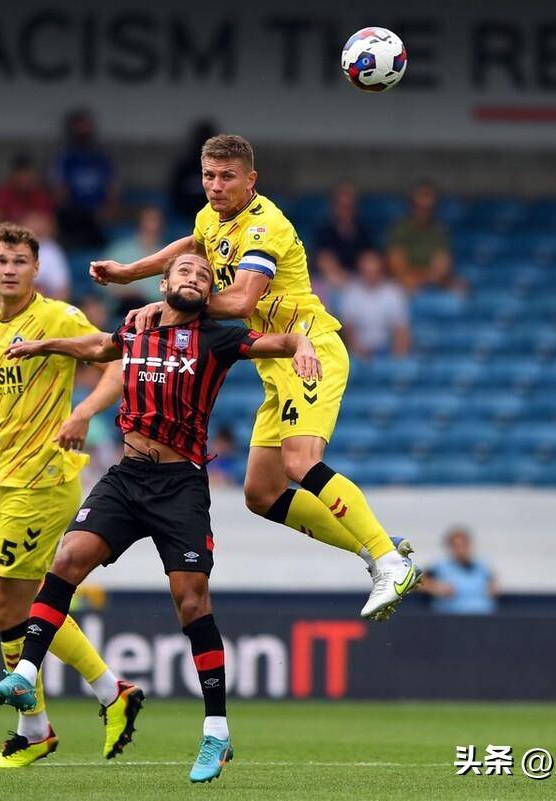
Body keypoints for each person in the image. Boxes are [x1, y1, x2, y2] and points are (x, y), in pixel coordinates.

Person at [0, 252, 322, 783]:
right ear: (164, 283)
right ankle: (25, 672)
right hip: (127, 476)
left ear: (208, 294)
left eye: (203, 276)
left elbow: (276, 342)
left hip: (180, 485)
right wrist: (44, 345)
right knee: (67, 560)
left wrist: (302, 346)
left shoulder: (218, 338)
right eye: (184, 271)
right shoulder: (136, 327)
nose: (193, 277)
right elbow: (97, 347)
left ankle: (217, 735)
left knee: (191, 604)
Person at [89, 134, 420, 621]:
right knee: (261, 495)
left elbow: (242, 301)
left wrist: (166, 304)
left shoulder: (266, 225)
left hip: (308, 349)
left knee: (300, 462)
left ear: (251, 180)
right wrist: (130, 272)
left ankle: (390, 562)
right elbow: (194, 245)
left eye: (227, 177)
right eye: (208, 176)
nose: (216, 186)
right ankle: (374, 545)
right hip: (274, 366)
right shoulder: (210, 216)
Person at [0, 222, 138, 768]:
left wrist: (82, 413)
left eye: (20, 261)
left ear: (36, 269)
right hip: (12, 479)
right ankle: (111, 693)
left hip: (45, 479)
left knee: (5, 603)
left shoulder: (57, 318)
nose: (9, 269)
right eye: (1, 260)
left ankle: (33, 729)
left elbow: (117, 362)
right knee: (28, 605)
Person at [51, 109, 116, 249]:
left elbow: (111, 187)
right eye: (80, 127)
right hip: (73, 216)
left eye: (86, 127)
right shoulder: (66, 157)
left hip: (97, 217)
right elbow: (60, 190)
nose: (83, 131)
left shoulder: (100, 156)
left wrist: (106, 210)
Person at [386, 181, 463, 294]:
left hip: (433, 281)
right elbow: (398, 269)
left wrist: (424, 278)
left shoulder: (439, 231)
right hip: (404, 283)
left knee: (461, 289)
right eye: (418, 207)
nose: (423, 212)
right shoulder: (399, 230)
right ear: (411, 206)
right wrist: (425, 276)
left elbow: (442, 268)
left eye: (428, 208)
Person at [338, 250, 410, 360]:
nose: (370, 275)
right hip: (359, 351)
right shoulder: (350, 292)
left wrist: (397, 358)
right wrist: (359, 351)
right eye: (366, 271)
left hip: (387, 350)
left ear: (381, 270)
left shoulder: (393, 292)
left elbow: (401, 329)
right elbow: (349, 330)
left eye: (373, 271)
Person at [101, 205, 166, 311]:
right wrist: (127, 291)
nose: (153, 224)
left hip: (155, 310)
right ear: (139, 222)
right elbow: (103, 285)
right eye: (149, 219)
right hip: (121, 308)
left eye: (157, 220)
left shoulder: (169, 255)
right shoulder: (119, 250)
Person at [0, 154, 55, 246]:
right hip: (5, 245)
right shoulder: (2, 194)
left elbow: (51, 228)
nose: (24, 178)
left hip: (34, 246)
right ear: (13, 174)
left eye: (27, 173)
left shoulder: (39, 195)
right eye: (20, 173)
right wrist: (21, 227)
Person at [422, 527, 497, 615]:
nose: (460, 550)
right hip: (454, 617)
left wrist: (492, 588)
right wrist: (436, 587)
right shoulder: (440, 566)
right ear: (450, 547)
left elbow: (493, 583)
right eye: (456, 546)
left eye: (463, 545)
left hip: (482, 615)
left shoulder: (481, 566)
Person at [314, 182, 373, 287]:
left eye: (349, 206)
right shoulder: (324, 232)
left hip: (359, 283)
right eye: (342, 206)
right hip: (330, 282)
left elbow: (369, 260)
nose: (345, 211)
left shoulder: (364, 232)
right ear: (334, 207)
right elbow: (322, 260)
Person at [167, 120, 217, 222]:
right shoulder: (185, 167)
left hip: (215, 218)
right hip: (185, 217)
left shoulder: (223, 169)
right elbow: (174, 195)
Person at [21, 211, 70, 300]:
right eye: (31, 221)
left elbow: (62, 289)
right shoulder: (11, 248)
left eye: (37, 221)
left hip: (46, 305)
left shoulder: (52, 251)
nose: (34, 226)